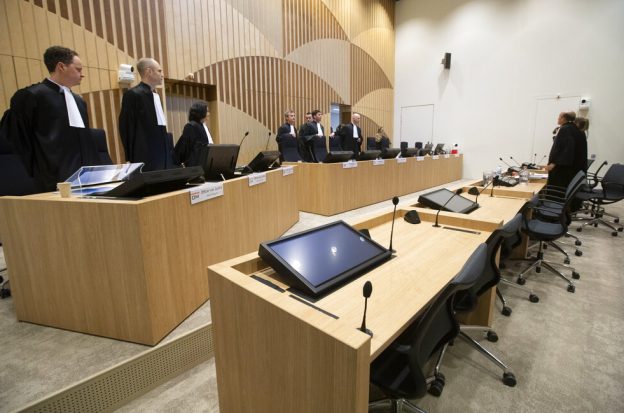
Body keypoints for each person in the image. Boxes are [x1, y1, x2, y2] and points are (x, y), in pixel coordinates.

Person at [0, 46, 100, 193]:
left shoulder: (79, 101)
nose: (82, 74)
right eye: (78, 69)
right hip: (49, 179)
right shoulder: (30, 96)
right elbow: (17, 141)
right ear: (61, 67)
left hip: (85, 179)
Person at [119, 58, 175, 171]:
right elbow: (126, 127)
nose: (162, 75)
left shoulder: (156, 96)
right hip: (144, 155)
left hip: (162, 154)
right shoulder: (133, 94)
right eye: (159, 71)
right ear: (149, 71)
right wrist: (130, 157)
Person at [545, 111, 586, 188]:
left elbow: (565, 149)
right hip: (575, 168)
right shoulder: (576, 129)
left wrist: (554, 163)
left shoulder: (565, 129)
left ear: (563, 118)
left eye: (559, 117)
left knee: (556, 188)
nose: (558, 118)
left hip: (562, 169)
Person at [174, 102, 214, 167]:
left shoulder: (202, 126)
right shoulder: (191, 126)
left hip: (202, 164)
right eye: (207, 111)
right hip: (195, 167)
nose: (209, 114)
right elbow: (186, 148)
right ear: (201, 112)